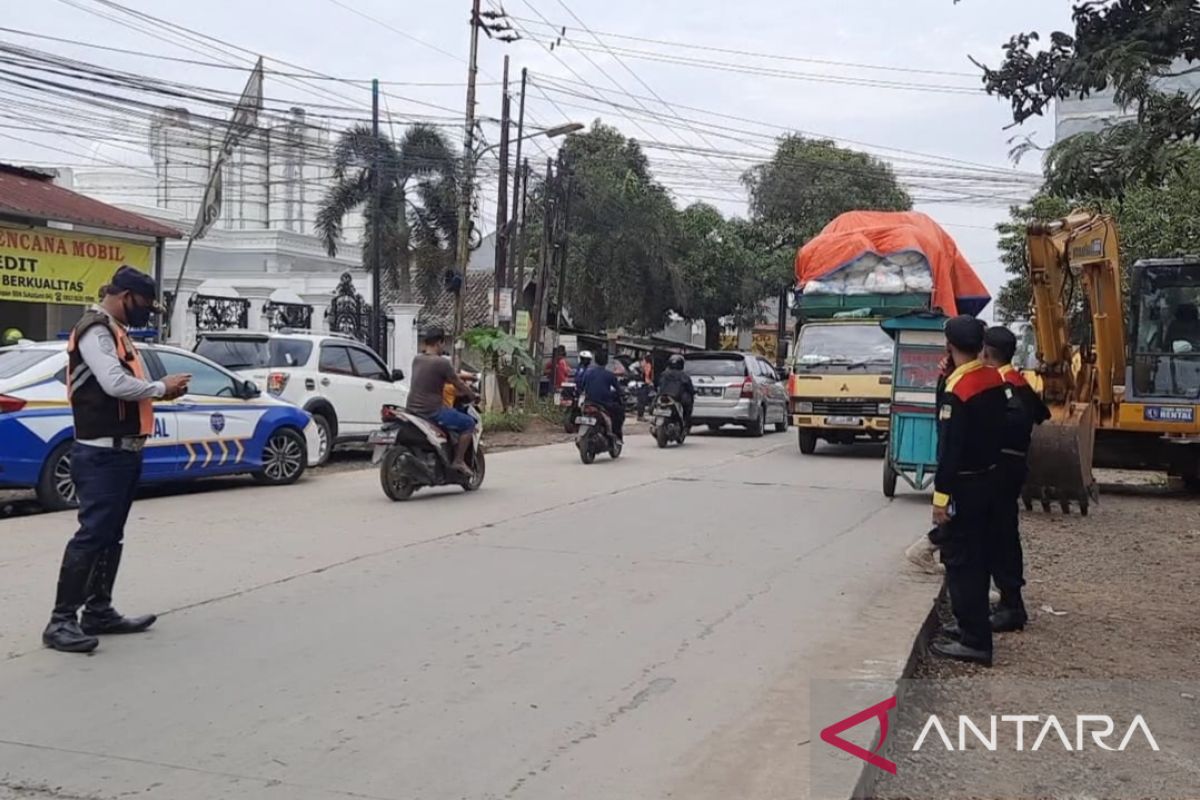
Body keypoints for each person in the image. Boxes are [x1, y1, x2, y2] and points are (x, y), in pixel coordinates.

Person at [43, 267, 191, 654]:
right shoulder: (96, 330)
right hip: (101, 453)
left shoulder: (116, 331)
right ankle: (60, 621)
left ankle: (99, 611)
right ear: (125, 296)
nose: (147, 313)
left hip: (122, 452)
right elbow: (114, 383)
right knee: (93, 535)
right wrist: (162, 387)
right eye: (144, 305)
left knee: (111, 534)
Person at [928, 315, 1008, 667]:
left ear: (949, 345)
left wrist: (940, 498)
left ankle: (976, 641)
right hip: (989, 479)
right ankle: (967, 627)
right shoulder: (990, 377)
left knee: (963, 563)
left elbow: (950, 448)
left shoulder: (958, 391)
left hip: (966, 485)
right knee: (978, 557)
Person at [981, 326, 1050, 633]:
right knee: (1003, 533)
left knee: (1001, 536)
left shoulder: (1003, 383)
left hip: (1002, 470)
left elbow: (1019, 420)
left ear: (986, 352)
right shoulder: (1018, 380)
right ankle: (1009, 601)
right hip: (1013, 467)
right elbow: (1040, 412)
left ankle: (1012, 605)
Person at [406, 328, 478, 475]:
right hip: (433, 412)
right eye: (443, 344)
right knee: (469, 423)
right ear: (439, 342)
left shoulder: (417, 359)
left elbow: (446, 375)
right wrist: (472, 396)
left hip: (412, 410)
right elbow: (457, 382)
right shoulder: (442, 363)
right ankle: (458, 460)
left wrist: (467, 377)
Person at [578, 350, 625, 441]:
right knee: (619, 413)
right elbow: (619, 390)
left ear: (595, 360)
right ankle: (617, 436)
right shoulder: (609, 375)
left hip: (589, 402)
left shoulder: (588, 373)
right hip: (604, 403)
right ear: (606, 361)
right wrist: (620, 394)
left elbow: (582, 386)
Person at [656, 354, 695, 426]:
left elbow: (658, 384)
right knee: (688, 406)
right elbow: (690, 388)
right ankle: (685, 423)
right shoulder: (684, 375)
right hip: (676, 397)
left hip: (664, 396)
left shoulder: (664, 374)